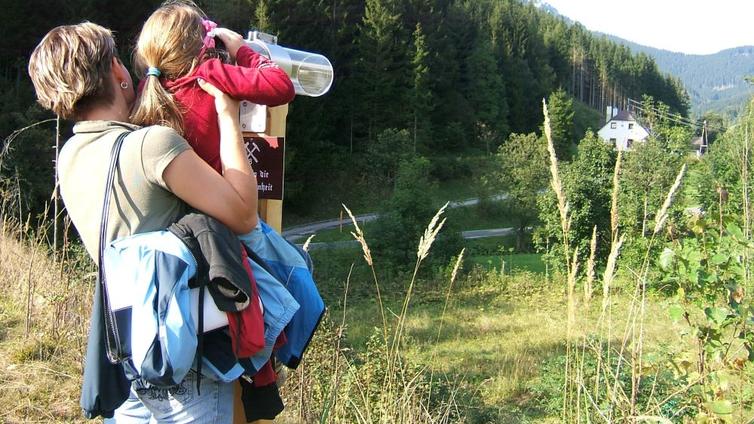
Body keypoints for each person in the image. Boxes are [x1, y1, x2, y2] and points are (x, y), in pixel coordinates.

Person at [28, 21, 257, 422]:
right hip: (186, 354)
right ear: (118, 72)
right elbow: (243, 214)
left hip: (126, 348)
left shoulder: (70, 156)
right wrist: (227, 114)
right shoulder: (152, 146)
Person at [131, 0, 295, 173]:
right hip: (215, 196)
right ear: (201, 45)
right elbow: (282, 86)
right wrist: (242, 51)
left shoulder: (146, 87)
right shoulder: (209, 73)